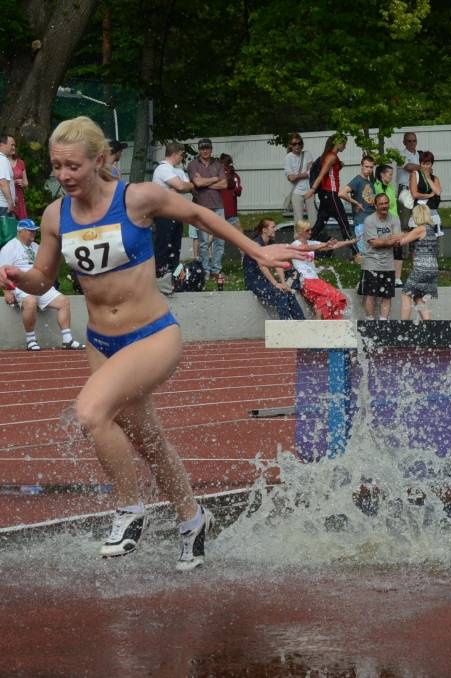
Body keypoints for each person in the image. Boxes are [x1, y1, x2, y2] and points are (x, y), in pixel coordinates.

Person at [0, 116, 302, 569]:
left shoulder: (135, 197)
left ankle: (129, 507)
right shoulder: (55, 215)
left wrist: (256, 250)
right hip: (100, 342)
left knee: (91, 413)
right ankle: (193, 518)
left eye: (73, 166)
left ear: (99, 160)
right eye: (57, 166)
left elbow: (199, 214)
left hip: (153, 334)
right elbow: (44, 276)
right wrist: (21, 277)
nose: (64, 175)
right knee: (148, 441)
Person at [0, 219, 86, 350]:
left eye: (34, 231)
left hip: (38, 283)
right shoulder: (9, 247)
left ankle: (67, 339)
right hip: (20, 285)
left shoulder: (36, 247)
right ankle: (31, 340)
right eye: (30, 231)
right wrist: (6, 291)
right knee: (31, 301)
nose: (33, 233)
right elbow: (1, 271)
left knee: (63, 302)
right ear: (20, 231)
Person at [305, 135, 359, 259]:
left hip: (326, 195)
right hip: (331, 195)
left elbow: (329, 173)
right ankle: (357, 253)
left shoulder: (329, 156)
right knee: (343, 222)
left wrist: (339, 166)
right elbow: (321, 174)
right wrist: (312, 190)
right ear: (337, 143)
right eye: (344, 144)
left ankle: (303, 247)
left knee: (319, 225)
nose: (345, 146)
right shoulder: (332, 156)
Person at [243, 219, 306, 320]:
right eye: (272, 227)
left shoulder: (270, 244)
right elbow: (263, 266)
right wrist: (276, 284)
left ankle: (302, 323)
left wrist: (284, 284)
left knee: (288, 293)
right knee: (280, 295)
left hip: (264, 281)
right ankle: (285, 325)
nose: (275, 229)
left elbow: (278, 264)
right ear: (264, 230)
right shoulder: (256, 244)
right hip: (254, 282)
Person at [151, 142, 194, 287]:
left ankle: (174, 280)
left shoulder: (178, 171)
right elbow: (181, 186)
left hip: (176, 214)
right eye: (182, 155)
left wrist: (184, 186)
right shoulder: (162, 169)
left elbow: (188, 186)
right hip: (163, 214)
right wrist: (182, 186)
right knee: (163, 247)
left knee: (175, 249)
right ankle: (159, 278)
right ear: (175, 154)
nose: (182, 158)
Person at [290, 220, 354, 319]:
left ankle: (330, 323)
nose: (310, 232)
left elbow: (333, 246)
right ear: (300, 232)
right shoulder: (295, 244)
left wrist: (350, 242)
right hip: (305, 281)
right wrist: (324, 244)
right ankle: (325, 323)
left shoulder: (312, 243)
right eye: (307, 230)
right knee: (331, 295)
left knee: (332, 298)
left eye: (310, 229)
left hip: (315, 280)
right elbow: (306, 248)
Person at [187, 138, 228, 290]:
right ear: (199, 150)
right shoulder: (193, 164)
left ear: (211, 149)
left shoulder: (218, 164)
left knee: (220, 239)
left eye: (207, 148)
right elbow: (197, 183)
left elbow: (224, 184)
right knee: (203, 241)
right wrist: (214, 179)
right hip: (201, 206)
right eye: (202, 148)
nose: (205, 151)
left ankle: (216, 269)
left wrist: (205, 183)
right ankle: (205, 269)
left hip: (218, 206)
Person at [358, 193, 402, 319]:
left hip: (388, 264)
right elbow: (374, 243)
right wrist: (389, 241)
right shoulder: (369, 220)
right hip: (371, 263)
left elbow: (397, 241)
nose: (384, 206)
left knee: (387, 296)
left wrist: (387, 241)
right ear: (376, 206)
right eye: (381, 204)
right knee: (370, 295)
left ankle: (383, 322)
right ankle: (370, 321)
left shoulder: (394, 219)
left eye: (386, 203)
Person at [397, 204, 440, 320]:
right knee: (418, 297)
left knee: (406, 294)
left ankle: (403, 325)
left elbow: (401, 242)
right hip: (432, 268)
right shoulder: (430, 229)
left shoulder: (420, 229)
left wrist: (393, 238)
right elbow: (412, 235)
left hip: (422, 268)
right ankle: (428, 324)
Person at [373, 164, 404, 286]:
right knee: (384, 248)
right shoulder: (376, 187)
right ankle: (382, 276)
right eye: (390, 174)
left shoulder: (390, 187)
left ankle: (397, 278)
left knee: (398, 247)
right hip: (384, 222)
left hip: (395, 221)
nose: (391, 177)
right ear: (382, 174)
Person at [409, 150, 444, 236]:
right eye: (423, 164)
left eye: (428, 164)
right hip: (419, 210)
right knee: (418, 236)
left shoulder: (434, 178)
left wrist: (428, 178)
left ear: (431, 164)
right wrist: (429, 195)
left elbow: (438, 192)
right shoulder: (415, 174)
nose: (425, 166)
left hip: (431, 209)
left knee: (434, 235)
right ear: (420, 164)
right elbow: (415, 194)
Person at [284, 133, 316, 224]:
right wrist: (304, 174)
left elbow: (311, 172)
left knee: (313, 218)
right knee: (298, 220)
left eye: (299, 143)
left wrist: (297, 175)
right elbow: (291, 178)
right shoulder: (288, 158)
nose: (297, 146)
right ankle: (299, 234)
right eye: (294, 144)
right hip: (296, 191)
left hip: (309, 190)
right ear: (290, 145)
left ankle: (314, 233)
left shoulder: (307, 154)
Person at [396, 131, 421, 231]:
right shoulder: (400, 155)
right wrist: (423, 167)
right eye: (409, 141)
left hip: (418, 190)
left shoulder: (419, 155)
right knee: (405, 222)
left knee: (418, 220)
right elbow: (408, 167)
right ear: (404, 142)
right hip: (405, 190)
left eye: (414, 141)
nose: (412, 143)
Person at [220, 153, 243, 230]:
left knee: (216, 235)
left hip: (219, 211)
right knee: (238, 235)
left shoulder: (217, 176)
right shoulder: (234, 176)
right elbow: (237, 191)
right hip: (231, 211)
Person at [10, 145, 28, 219]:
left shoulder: (20, 162)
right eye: (11, 145)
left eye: (14, 145)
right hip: (8, 196)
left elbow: (26, 183)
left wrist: (22, 183)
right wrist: (12, 182)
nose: (13, 147)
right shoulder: (3, 162)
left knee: (21, 221)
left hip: (19, 196)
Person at [0, 134, 15, 218]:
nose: (13, 147)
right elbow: (2, 182)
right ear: (2, 145)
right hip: (3, 205)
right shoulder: (2, 159)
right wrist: (10, 202)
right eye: (12, 145)